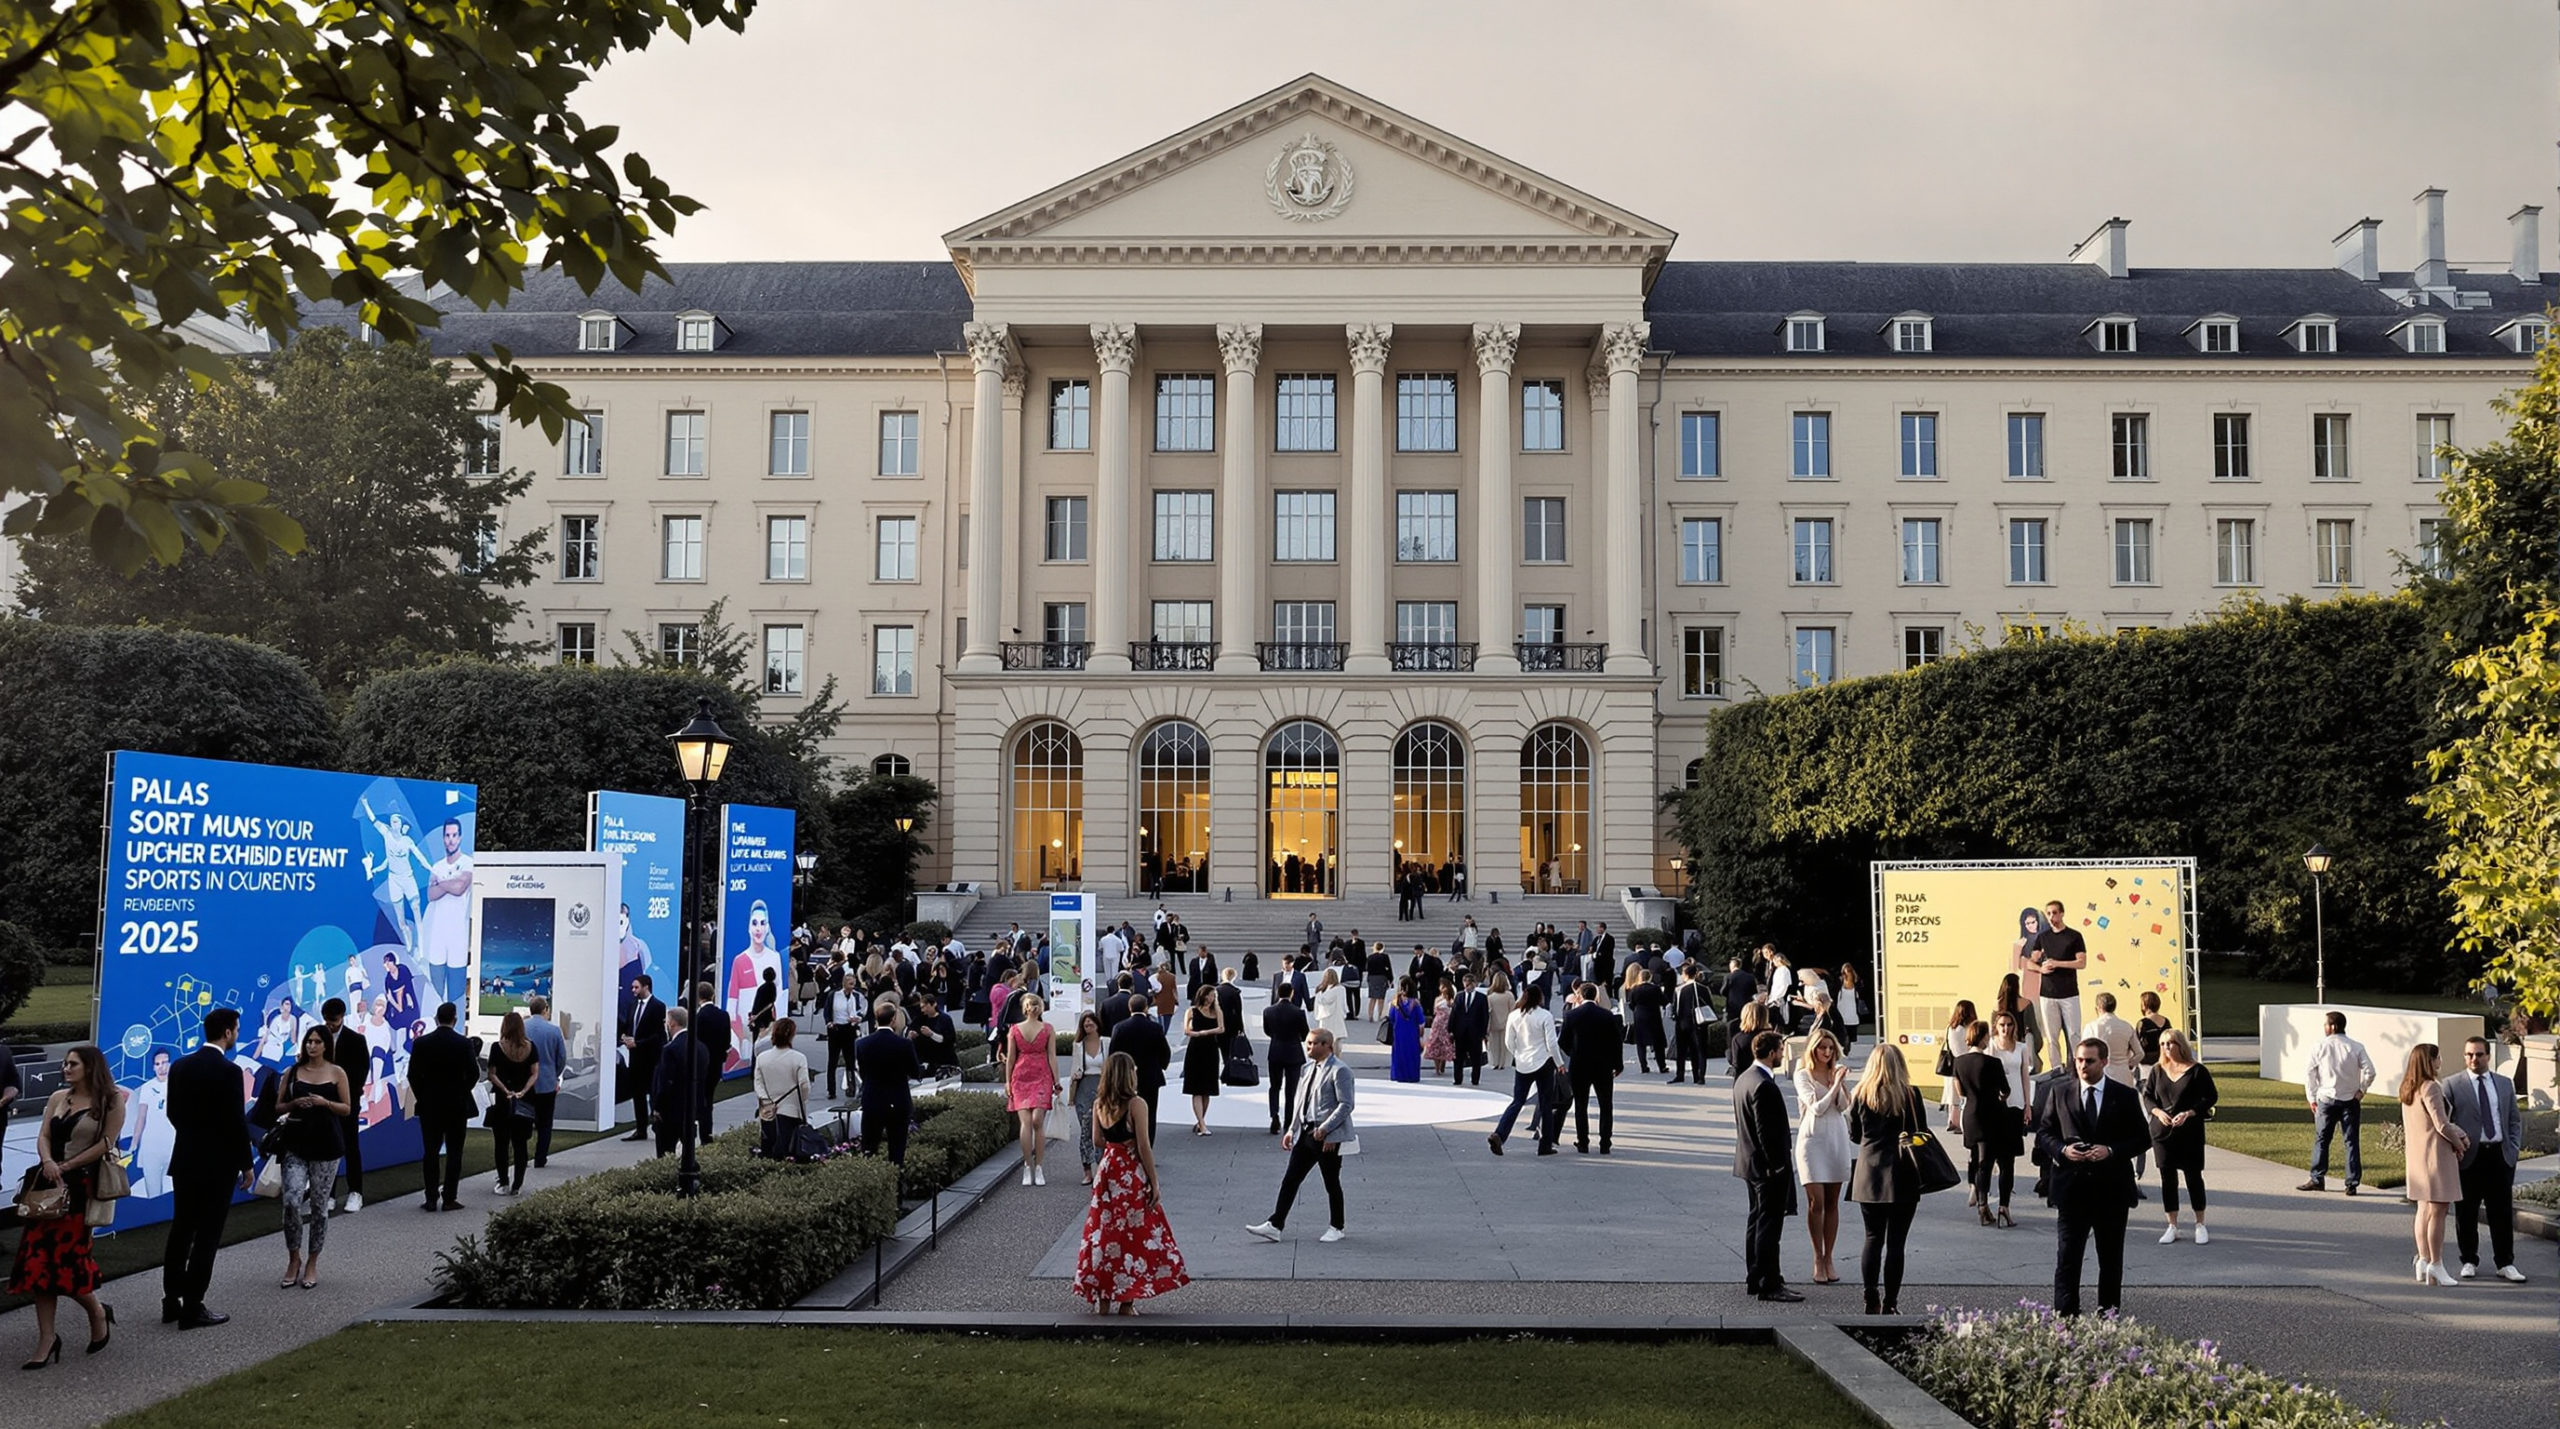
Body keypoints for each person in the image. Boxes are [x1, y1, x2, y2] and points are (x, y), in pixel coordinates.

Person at [11, 1044, 122, 1368]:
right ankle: (47, 1338)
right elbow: (44, 1134)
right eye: (65, 1064)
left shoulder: (110, 1100)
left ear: (89, 1067)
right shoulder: (58, 1098)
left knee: (68, 1267)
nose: (66, 1069)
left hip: (79, 1189)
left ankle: (97, 1313)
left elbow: (107, 1143)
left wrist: (68, 1166)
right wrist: (48, 1162)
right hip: (46, 1186)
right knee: (36, 1266)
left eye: (72, 1064)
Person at [2036, 1037, 2150, 1316]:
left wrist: (2110, 1151)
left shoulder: (2123, 1095)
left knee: (2110, 1260)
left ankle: (2108, 1315)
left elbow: (2142, 1138)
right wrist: (2063, 1150)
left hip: (2111, 1191)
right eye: (2078, 1060)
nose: (2083, 1065)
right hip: (2071, 1190)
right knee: (2067, 1259)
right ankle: (2065, 1318)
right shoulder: (2060, 1092)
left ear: (2104, 1062)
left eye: (2089, 1060)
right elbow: (2044, 1133)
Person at [1074, 1052, 1190, 1313]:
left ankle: (1103, 1297)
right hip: (1128, 1171)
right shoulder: (1136, 1104)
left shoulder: (1099, 1103)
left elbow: (1097, 1141)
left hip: (1107, 1170)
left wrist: (1115, 1144)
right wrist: (1154, 1181)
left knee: (1104, 1232)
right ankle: (1126, 1301)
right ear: (1129, 1074)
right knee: (1132, 1233)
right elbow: (1144, 1145)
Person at [162, 1008, 255, 1329]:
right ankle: (193, 1306)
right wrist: (246, 1164)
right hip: (218, 1164)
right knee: (207, 1235)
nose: (238, 1034)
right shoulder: (229, 1071)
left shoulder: (179, 1066)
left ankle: (171, 1300)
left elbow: (173, 1113)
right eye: (237, 1029)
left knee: (181, 1230)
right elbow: (235, 1121)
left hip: (186, 1158)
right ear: (227, 1032)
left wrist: (193, 1136)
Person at [1247, 1026, 1356, 1244]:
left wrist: (1328, 1132)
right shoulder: (1308, 1068)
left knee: (1331, 1182)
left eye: (1313, 1043)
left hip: (1326, 1135)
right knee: (1290, 1179)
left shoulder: (1340, 1070)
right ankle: (1275, 1225)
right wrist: (1291, 1128)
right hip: (1307, 1132)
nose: (1308, 1047)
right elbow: (1300, 1101)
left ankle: (1337, 1226)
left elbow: (1346, 1105)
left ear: (1327, 1045)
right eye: (1307, 1042)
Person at [261, 1028, 349, 1289]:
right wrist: (294, 1104)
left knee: (320, 1207)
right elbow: (277, 1107)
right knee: (291, 1201)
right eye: (308, 1041)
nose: (312, 1046)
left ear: (325, 1045)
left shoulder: (337, 1072)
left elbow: (347, 1108)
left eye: (317, 1042)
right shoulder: (292, 1072)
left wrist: (325, 1103)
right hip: (295, 1144)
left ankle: (312, 1262)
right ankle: (293, 1258)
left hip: (327, 1145)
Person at [1845, 1043, 1928, 1315]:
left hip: (1868, 1172)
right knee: (1896, 1243)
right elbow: (1921, 1133)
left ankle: (1870, 1295)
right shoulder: (1910, 1095)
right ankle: (1891, 1303)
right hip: (1902, 1172)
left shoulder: (1860, 1094)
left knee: (1872, 1237)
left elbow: (1855, 1135)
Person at [2444, 1036, 2527, 1282]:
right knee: (2466, 1212)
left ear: (2488, 1056)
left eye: (2479, 1054)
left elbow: (2513, 1118)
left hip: (2499, 1155)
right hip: (2469, 1156)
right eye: (2469, 1054)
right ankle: (2469, 1259)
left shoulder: (2504, 1083)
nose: (2474, 1059)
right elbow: (2445, 1122)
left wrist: (2513, 1148)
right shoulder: (2452, 1084)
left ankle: (2505, 1263)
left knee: (2500, 1212)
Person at [1733, 1028, 1801, 1301]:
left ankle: (1756, 1275)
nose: (1783, 1054)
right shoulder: (1764, 1085)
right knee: (1769, 1226)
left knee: (1757, 1221)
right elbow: (1766, 1132)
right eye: (1781, 1050)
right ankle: (1768, 1283)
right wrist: (1778, 1166)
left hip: (1750, 1163)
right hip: (1767, 1168)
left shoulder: (1744, 1079)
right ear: (1772, 1053)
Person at [2397, 1041, 2470, 1286]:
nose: (2441, 1062)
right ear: (2430, 1061)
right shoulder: (2430, 1087)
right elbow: (2440, 1124)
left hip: (2417, 1157)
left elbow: (2433, 1123)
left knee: (2423, 1209)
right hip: (2435, 1157)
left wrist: (2458, 1132)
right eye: (2438, 1058)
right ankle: (2436, 1264)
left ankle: (2423, 1259)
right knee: (2438, 1211)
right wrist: (2459, 1143)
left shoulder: (2409, 1088)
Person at [2140, 1028, 2218, 1245]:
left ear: (2180, 1045)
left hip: (2189, 1132)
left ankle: (2200, 1223)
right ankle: (2172, 1225)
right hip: (2162, 1132)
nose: (2166, 1047)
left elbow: (2210, 1096)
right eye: (2163, 1044)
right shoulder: (2157, 1070)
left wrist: (2190, 1112)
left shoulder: (2197, 1071)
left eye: (2170, 1043)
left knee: (2193, 1176)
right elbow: (2147, 1096)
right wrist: (2157, 1112)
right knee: (2168, 1178)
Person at [406, 1001, 479, 1211]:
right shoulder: (464, 1043)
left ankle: (430, 1198)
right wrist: (462, 1091)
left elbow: (413, 1074)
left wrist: (423, 1095)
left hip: (430, 1104)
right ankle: (449, 1197)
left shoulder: (422, 1043)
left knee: (430, 1152)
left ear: (437, 1019)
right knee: (455, 1152)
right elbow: (474, 1073)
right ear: (455, 1020)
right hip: (456, 1105)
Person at [1794, 1028, 1854, 1283]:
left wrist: (1838, 1082)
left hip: (1836, 1138)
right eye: (1822, 1048)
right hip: (1812, 1139)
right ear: (1814, 1049)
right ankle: (1817, 1256)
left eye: (1830, 1049)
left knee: (1832, 1202)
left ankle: (1829, 1256)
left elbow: (1842, 1106)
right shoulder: (1802, 1075)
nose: (1827, 1053)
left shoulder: (1834, 1071)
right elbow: (1816, 1108)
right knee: (1815, 1202)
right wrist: (1835, 1085)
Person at [2299, 1010, 2378, 1194]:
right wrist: (2361, 1090)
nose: (2324, 1028)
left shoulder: (2319, 1046)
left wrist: (2311, 1097)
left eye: (2326, 1024)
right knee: (2350, 1141)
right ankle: (2351, 1183)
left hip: (2326, 1099)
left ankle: (2317, 1178)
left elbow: (2309, 1074)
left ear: (2332, 1026)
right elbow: (2370, 1071)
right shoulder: (2355, 1046)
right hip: (2350, 1099)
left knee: (2322, 1140)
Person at [310, 998, 371, 1213]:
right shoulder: (317, 1038)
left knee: (350, 1146)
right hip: (321, 1103)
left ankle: (356, 1192)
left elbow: (361, 1072)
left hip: (347, 1102)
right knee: (326, 1148)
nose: (330, 1025)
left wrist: (342, 1091)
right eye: (326, 1021)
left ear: (343, 1016)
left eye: (333, 1021)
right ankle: (329, 1193)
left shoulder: (356, 1040)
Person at [1489, 983, 1563, 1156]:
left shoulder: (1514, 1015)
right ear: (1540, 998)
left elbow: (1509, 1041)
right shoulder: (1545, 1015)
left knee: (1517, 1101)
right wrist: (1559, 1063)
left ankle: (1500, 1134)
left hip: (1523, 1063)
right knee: (1545, 1104)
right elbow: (1552, 1043)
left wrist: (1518, 1054)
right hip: (1543, 1061)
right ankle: (1545, 1145)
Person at [854, 999, 925, 1165]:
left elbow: (863, 1073)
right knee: (897, 1149)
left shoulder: (862, 1044)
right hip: (898, 1100)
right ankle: (897, 1184)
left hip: (872, 1099)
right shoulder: (904, 1044)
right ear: (893, 1019)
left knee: (869, 1149)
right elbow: (914, 1072)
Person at [1558, 980, 1624, 1155]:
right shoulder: (1607, 1015)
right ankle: (1605, 1143)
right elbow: (1617, 1042)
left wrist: (1575, 1052)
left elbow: (1562, 1041)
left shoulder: (1571, 1016)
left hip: (1580, 1065)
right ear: (1596, 996)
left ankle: (1583, 1142)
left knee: (1581, 1104)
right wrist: (1618, 1064)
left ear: (1579, 996)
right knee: (1606, 1104)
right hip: (1603, 1065)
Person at [1002, 991, 1061, 1183]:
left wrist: (1057, 1080)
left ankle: (1039, 1165)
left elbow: (1052, 1056)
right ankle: (1028, 1166)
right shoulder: (1015, 1030)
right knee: (1027, 1122)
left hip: (1041, 1075)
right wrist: (1008, 1081)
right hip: (1022, 1076)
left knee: (1036, 1120)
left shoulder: (1048, 1029)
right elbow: (1010, 1057)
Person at [419, 818, 473, 1011]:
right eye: (447, 836)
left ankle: (455, 1033)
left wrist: (441, 883)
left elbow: (459, 888)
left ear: (460, 837)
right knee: (435, 991)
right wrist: (449, 882)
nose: (451, 840)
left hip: (457, 935)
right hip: (437, 935)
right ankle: (435, 1027)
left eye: (454, 835)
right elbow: (431, 894)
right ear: (443, 838)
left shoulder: (468, 863)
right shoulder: (437, 866)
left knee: (456, 992)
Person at [484, 1011, 538, 1196]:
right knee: (520, 1143)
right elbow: (534, 1073)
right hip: (525, 1100)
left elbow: (492, 1074)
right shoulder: (531, 1047)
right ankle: (518, 1184)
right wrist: (523, 1090)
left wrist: (505, 1090)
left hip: (503, 1100)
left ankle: (503, 1181)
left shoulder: (497, 1048)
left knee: (501, 1142)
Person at [2029, 899, 2087, 1065]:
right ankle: (2056, 1070)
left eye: (2054, 912)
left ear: (2062, 913)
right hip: (2047, 994)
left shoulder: (2074, 936)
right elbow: (2030, 961)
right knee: (2051, 1036)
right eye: (2048, 913)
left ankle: (2078, 1067)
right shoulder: (2043, 937)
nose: (2051, 916)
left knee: (2074, 1034)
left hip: (2069, 993)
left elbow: (2081, 963)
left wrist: (2058, 963)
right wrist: (2040, 969)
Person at [1108, 1000, 1172, 1136]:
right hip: (1150, 1076)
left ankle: (1130, 1141)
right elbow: (1165, 1051)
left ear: (1129, 1007)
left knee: (1125, 1111)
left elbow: (1113, 1054)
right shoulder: (1155, 1027)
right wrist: (1161, 1066)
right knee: (1149, 1112)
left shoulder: (1120, 1028)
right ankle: (1147, 1143)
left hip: (1125, 1077)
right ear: (1146, 1008)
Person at [754, 1016, 815, 1156]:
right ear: (792, 1035)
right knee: (790, 1149)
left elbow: (758, 1083)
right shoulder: (798, 1058)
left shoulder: (762, 1057)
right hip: (792, 1109)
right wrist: (802, 1101)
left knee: (769, 1148)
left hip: (768, 1111)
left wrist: (766, 1101)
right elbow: (804, 1086)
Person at [522, 994, 566, 1169]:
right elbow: (561, 1057)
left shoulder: (522, 1028)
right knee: (545, 1123)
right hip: (547, 1081)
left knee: (523, 1120)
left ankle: (522, 1156)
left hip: (524, 1082)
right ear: (545, 1009)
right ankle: (540, 1158)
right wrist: (554, 1075)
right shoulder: (554, 1031)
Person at [620, 974, 666, 1141]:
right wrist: (625, 1038)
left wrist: (638, 1043)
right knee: (637, 1094)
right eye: (632, 987)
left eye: (636, 987)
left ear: (646, 987)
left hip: (651, 1058)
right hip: (635, 1058)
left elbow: (658, 1035)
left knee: (654, 1093)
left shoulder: (658, 1006)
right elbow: (628, 1026)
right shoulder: (633, 1006)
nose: (633, 990)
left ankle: (659, 1125)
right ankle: (641, 1129)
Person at [650, 1006, 701, 1156]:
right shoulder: (700, 1047)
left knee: (666, 1153)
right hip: (692, 1109)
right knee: (688, 1154)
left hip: (670, 1112)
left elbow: (666, 1081)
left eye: (667, 1021)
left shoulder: (670, 1049)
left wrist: (657, 1107)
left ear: (672, 1023)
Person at [1065, 1012, 1108, 1184]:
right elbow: (1074, 1068)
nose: (1088, 1026)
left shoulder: (1107, 1042)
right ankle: (1087, 1170)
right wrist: (1072, 1090)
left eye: (1091, 1023)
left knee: (1103, 1128)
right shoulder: (1078, 1045)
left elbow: (1111, 1065)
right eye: (1085, 1024)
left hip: (1102, 1087)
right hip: (1084, 1087)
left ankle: (1101, 1166)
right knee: (1085, 1130)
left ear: (1097, 1024)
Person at [1263, 985, 1310, 1135]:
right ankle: (1288, 1122)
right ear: (1292, 993)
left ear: (1278, 993)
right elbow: (1305, 1034)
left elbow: (1267, 1031)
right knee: (1291, 1091)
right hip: (1293, 1052)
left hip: (1275, 1051)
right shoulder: (1298, 1012)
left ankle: (1274, 1115)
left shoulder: (1268, 1011)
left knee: (1274, 1086)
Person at [1178, 987, 1225, 1136]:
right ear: (1203, 995)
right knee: (1196, 1088)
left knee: (1207, 1089)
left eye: (1213, 996)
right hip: (1195, 1049)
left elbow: (1221, 1028)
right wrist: (1198, 1034)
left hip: (1211, 1049)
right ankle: (1202, 1124)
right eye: (1209, 995)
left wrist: (1206, 1032)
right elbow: (1186, 1030)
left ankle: (1201, 1121)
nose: (1211, 998)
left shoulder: (1216, 1011)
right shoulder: (1192, 1011)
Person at [2086, 993, 2142, 1088]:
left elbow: (2085, 1053)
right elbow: (2140, 1053)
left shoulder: (2092, 1027)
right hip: (2124, 1077)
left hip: (2102, 1076)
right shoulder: (2126, 1026)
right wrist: (2129, 1064)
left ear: (2098, 1008)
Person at [1670, 964, 1713, 1084]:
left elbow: (1676, 1009)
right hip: (1700, 1023)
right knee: (1700, 1050)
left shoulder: (1679, 990)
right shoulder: (1704, 989)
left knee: (1682, 1050)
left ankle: (1680, 1074)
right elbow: (1709, 1005)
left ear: (1685, 974)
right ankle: (1700, 1075)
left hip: (1683, 1024)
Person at [1446, 970, 1489, 1086]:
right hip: (1460, 1032)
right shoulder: (1459, 996)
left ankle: (1475, 1079)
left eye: (1469, 984)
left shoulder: (1481, 998)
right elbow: (1454, 1013)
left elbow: (1485, 1016)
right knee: (1459, 1058)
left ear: (1474, 984)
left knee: (1476, 1058)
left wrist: (1483, 1033)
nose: (1467, 987)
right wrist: (1450, 1030)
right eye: (1465, 984)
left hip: (1475, 1032)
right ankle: (1457, 1079)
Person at [1620, 966, 1665, 1074]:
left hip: (1640, 1016)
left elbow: (1631, 1004)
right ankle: (1662, 1065)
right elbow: (1663, 1001)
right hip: (1653, 1015)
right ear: (1650, 977)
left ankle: (1644, 1066)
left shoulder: (1635, 989)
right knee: (1657, 1042)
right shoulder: (1655, 989)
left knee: (1641, 1043)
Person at [1385, 979, 1427, 1084]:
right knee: (1412, 1054)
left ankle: (1398, 1075)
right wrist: (1421, 1035)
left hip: (1399, 1032)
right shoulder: (1416, 1004)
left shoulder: (1395, 1003)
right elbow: (1421, 1021)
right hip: (1412, 1033)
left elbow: (1391, 1017)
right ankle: (1411, 1076)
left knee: (1399, 1053)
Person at [909, 991, 959, 1075]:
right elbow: (912, 1030)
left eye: (925, 1007)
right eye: (921, 1007)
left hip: (944, 1060)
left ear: (934, 1004)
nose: (923, 1010)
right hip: (927, 1061)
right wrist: (913, 1035)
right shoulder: (920, 1019)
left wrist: (931, 1034)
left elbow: (949, 1039)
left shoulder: (944, 1019)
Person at [1422, 980, 1457, 1076]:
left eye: (1443, 986)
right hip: (1437, 1024)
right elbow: (1434, 1011)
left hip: (1447, 1024)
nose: (1441, 988)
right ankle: (1437, 1067)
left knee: (1445, 1044)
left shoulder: (1451, 1000)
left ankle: (1442, 1064)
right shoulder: (1437, 999)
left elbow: (1453, 1011)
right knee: (1435, 1044)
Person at [1485, 968, 1516, 1074]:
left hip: (1493, 1023)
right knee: (1505, 1045)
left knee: (1494, 1045)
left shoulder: (1490, 996)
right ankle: (1504, 1063)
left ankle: (1495, 1062)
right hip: (1506, 1023)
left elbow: (1488, 1011)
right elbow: (1513, 1010)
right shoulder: (1509, 995)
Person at [1729, 1000, 1770, 1079]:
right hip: (1764, 1078)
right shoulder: (1769, 1037)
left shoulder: (1738, 1039)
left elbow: (1736, 1063)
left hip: (1743, 1078)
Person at [2134, 990, 2172, 1068]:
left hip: (2147, 1063)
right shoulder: (2166, 1021)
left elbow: (2137, 1044)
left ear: (2144, 1005)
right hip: (2165, 1060)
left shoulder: (2142, 1023)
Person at [1311, 968, 1348, 1042]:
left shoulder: (1323, 990)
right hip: (1331, 1016)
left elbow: (1322, 1001)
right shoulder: (1338, 989)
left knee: (1329, 1038)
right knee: (1332, 1038)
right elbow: (1342, 1003)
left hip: (1329, 1016)